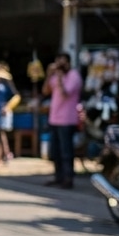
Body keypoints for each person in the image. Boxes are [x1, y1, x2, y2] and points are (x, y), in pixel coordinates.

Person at [42, 51, 83, 188]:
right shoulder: (54, 76)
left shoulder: (74, 76)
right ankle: (58, 177)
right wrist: (49, 75)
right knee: (55, 151)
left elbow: (66, 94)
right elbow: (46, 91)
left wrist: (59, 78)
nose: (60, 65)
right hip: (54, 119)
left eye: (63, 61)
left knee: (66, 151)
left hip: (67, 120)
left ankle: (68, 178)